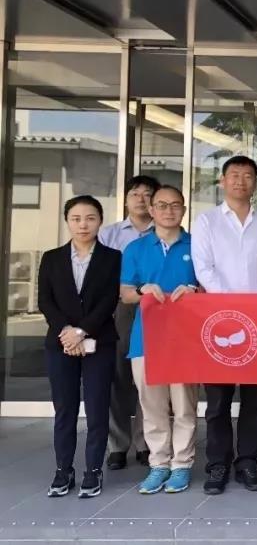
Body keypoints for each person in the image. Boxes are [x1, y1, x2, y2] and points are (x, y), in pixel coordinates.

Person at [191, 155, 257, 495]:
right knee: (218, 401)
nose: (240, 181)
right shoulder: (207, 221)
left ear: (256, 183)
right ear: (222, 181)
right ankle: (217, 464)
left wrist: (256, 304)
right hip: (218, 322)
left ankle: (248, 462)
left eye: (247, 176)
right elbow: (203, 268)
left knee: (255, 400)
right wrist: (231, 305)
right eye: (234, 175)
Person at [38, 196, 122, 498]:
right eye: (76, 218)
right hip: (60, 343)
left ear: (100, 221)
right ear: (67, 221)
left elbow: (109, 300)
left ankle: (93, 470)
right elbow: (45, 300)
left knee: (97, 408)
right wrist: (67, 332)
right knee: (65, 409)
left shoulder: (113, 258)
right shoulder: (51, 258)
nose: (83, 224)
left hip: (99, 341)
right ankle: (63, 470)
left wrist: (82, 331)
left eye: (90, 218)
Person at [119, 185, 200, 495]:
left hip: (185, 340)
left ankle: (182, 465)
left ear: (184, 210)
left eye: (175, 205)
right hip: (146, 339)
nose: (169, 211)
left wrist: (195, 291)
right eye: (162, 205)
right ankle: (159, 464)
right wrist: (142, 290)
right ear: (151, 210)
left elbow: (210, 287)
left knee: (184, 406)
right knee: (151, 406)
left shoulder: (197, 245)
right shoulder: (136, 248)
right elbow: (126, 293)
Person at [98, 174, 160, 471]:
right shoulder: (109, 234)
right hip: (119, 308)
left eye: (148, 194)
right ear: (125, 199)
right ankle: (117, 445)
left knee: (150, 378)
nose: (141, 199)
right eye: (135, 193)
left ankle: (145, 442)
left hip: (156, 308)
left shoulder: (166, 232)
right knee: (117, 377)